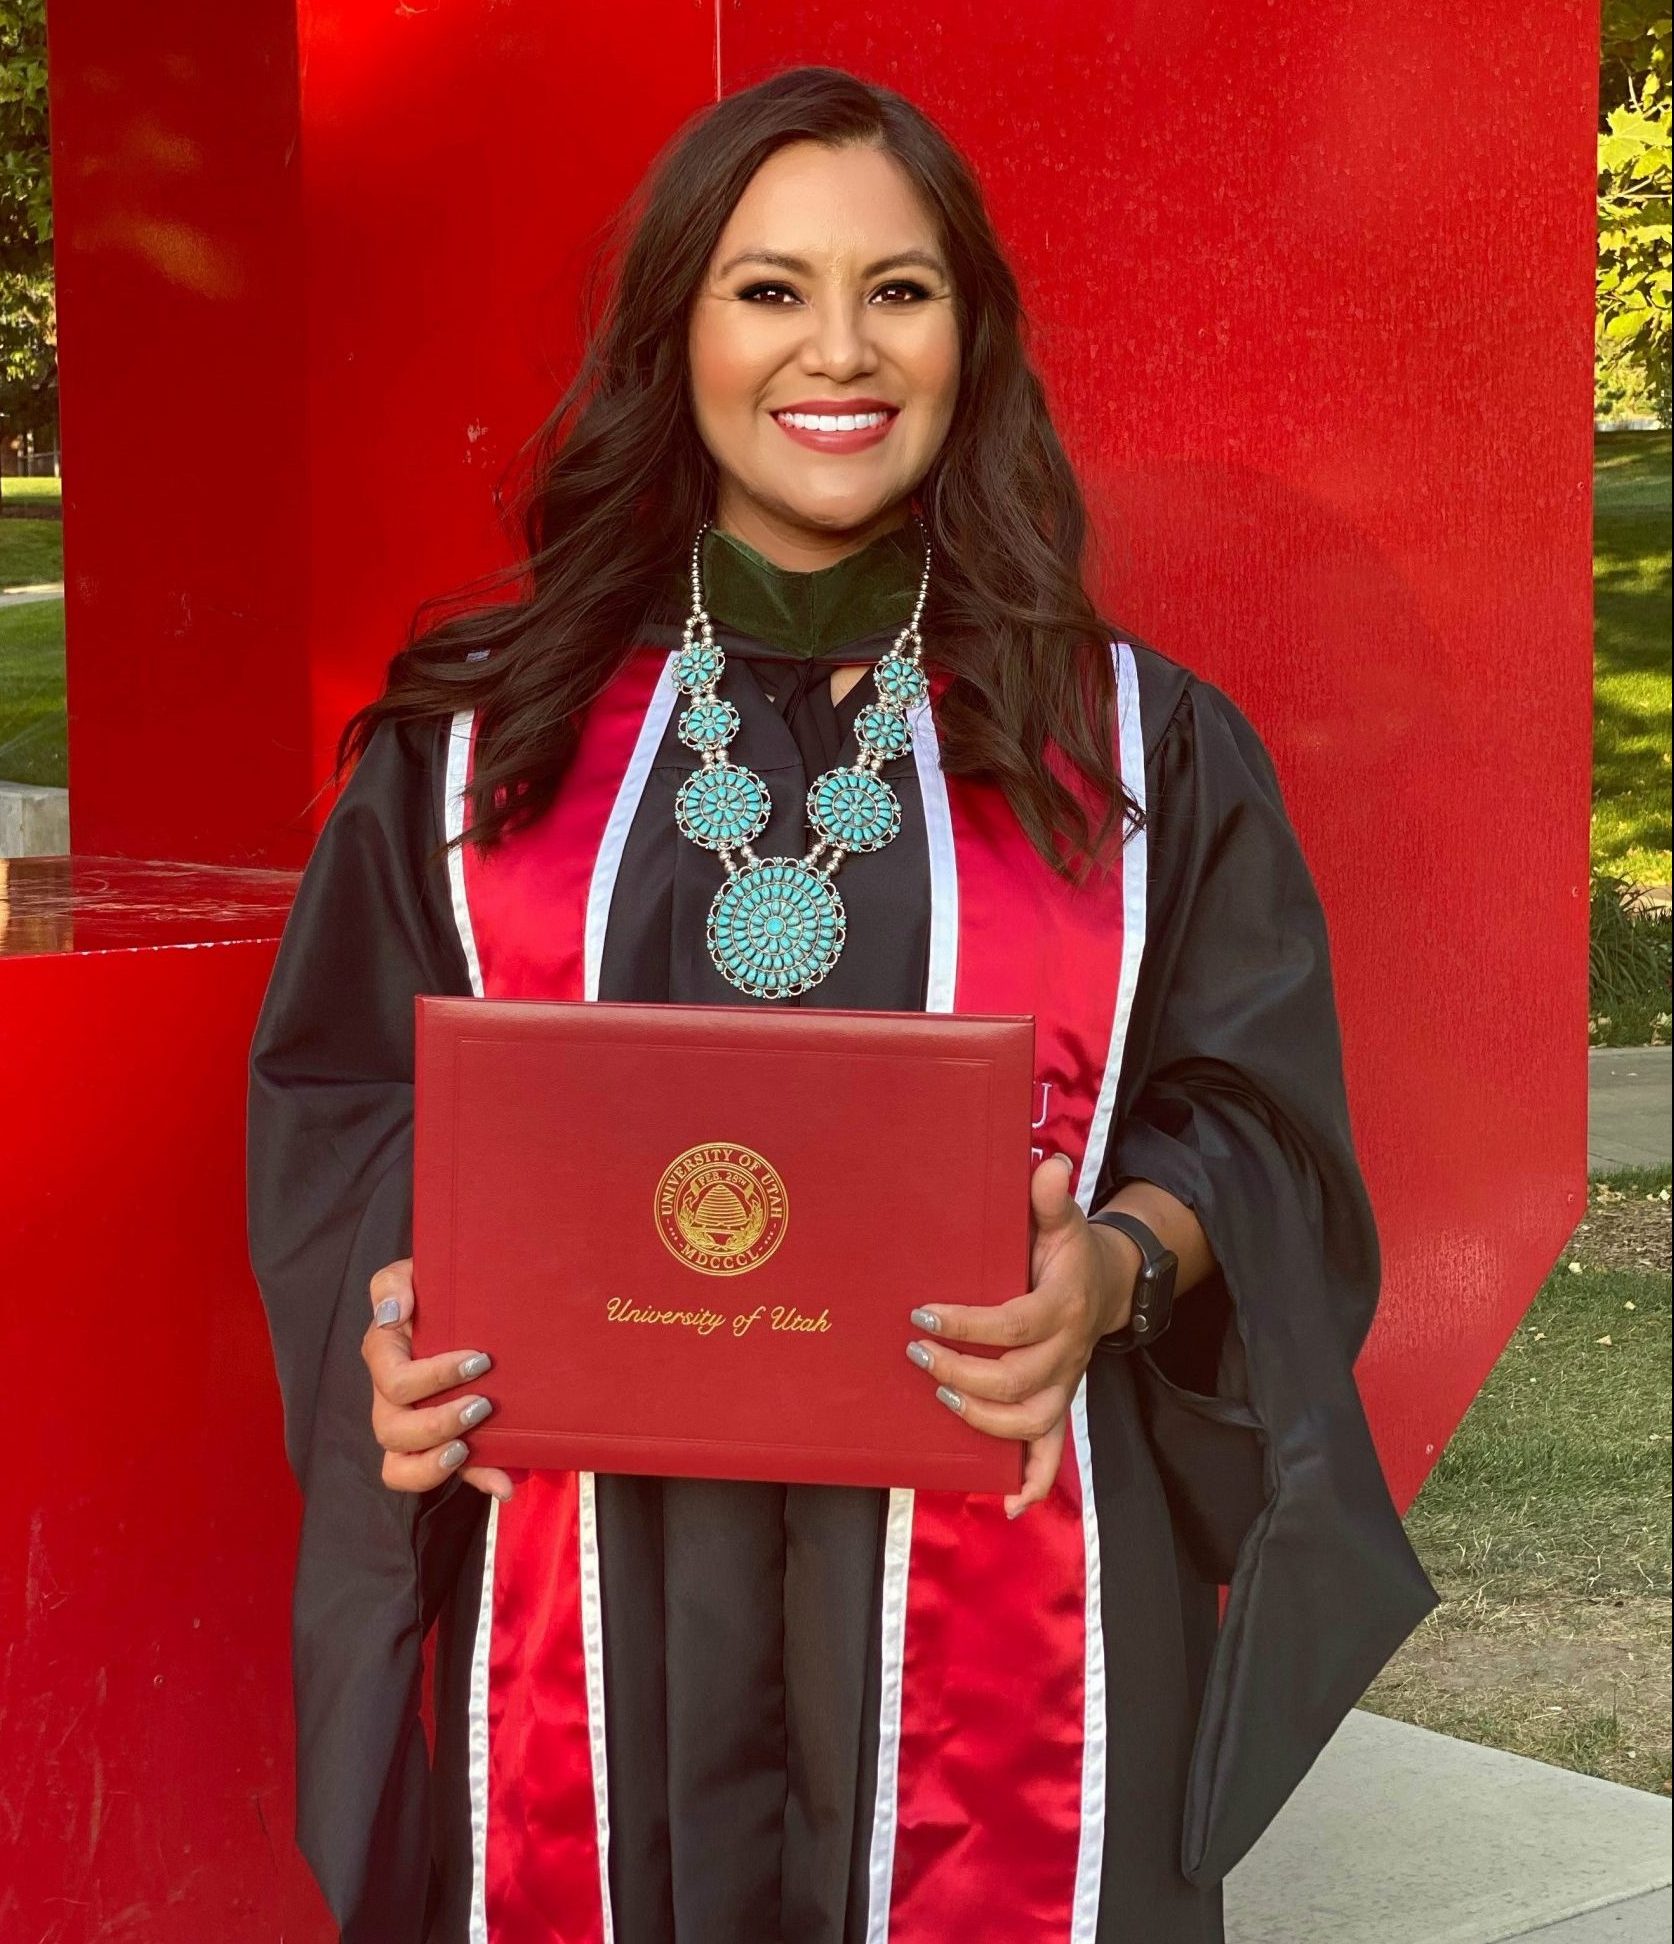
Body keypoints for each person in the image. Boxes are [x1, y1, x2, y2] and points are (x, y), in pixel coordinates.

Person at [247, 64, 1437, 1944]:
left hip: (1009, 1548)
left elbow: (1257, 1117)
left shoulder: (1135, 747)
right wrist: (387, 1331)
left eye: (898, 287)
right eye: (768, 285)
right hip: (588, 1562)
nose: (839, 348)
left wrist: (1110, 1270)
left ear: (971, 336)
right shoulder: (479, 742)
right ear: (677, 334)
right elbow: (346, 1114)